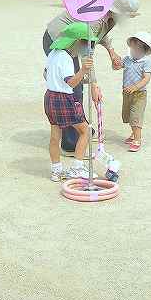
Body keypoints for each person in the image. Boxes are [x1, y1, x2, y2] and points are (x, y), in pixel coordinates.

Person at [43, 0, 140, 153]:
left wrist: (111, 51)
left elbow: (99, 35)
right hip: (58, 40)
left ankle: (79, 126)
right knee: (72, 88)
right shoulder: (96, 18)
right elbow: (86, 53)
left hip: (76, 42)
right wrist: (94, 84)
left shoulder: (109, 15)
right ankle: (69, 139)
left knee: (77, 85)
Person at [44, 22, 97, 181]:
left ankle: (56, 171)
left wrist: (81, 78)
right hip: (64, 99)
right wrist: (83, 71)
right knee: (85, 131)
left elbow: (47, 74)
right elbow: (71, 83)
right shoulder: (66, 58)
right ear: (77, 42)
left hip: (50, 97)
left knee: (55, 135)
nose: (87, 47)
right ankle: (77, 168)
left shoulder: (53, 53)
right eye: (85, 43)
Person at [121, 31, 151, 152]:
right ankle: (133, 134)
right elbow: (118, 66)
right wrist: (115, 62)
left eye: (137, 49)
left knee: (136, 117)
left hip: (139, 94)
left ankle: (137, 139)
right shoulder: (128, 59)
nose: (134, 51)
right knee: (129, 116)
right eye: (133, 48)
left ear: (144, 51)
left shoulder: (146, 62)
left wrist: (135, 87)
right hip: (127, 93)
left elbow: (146, 78)